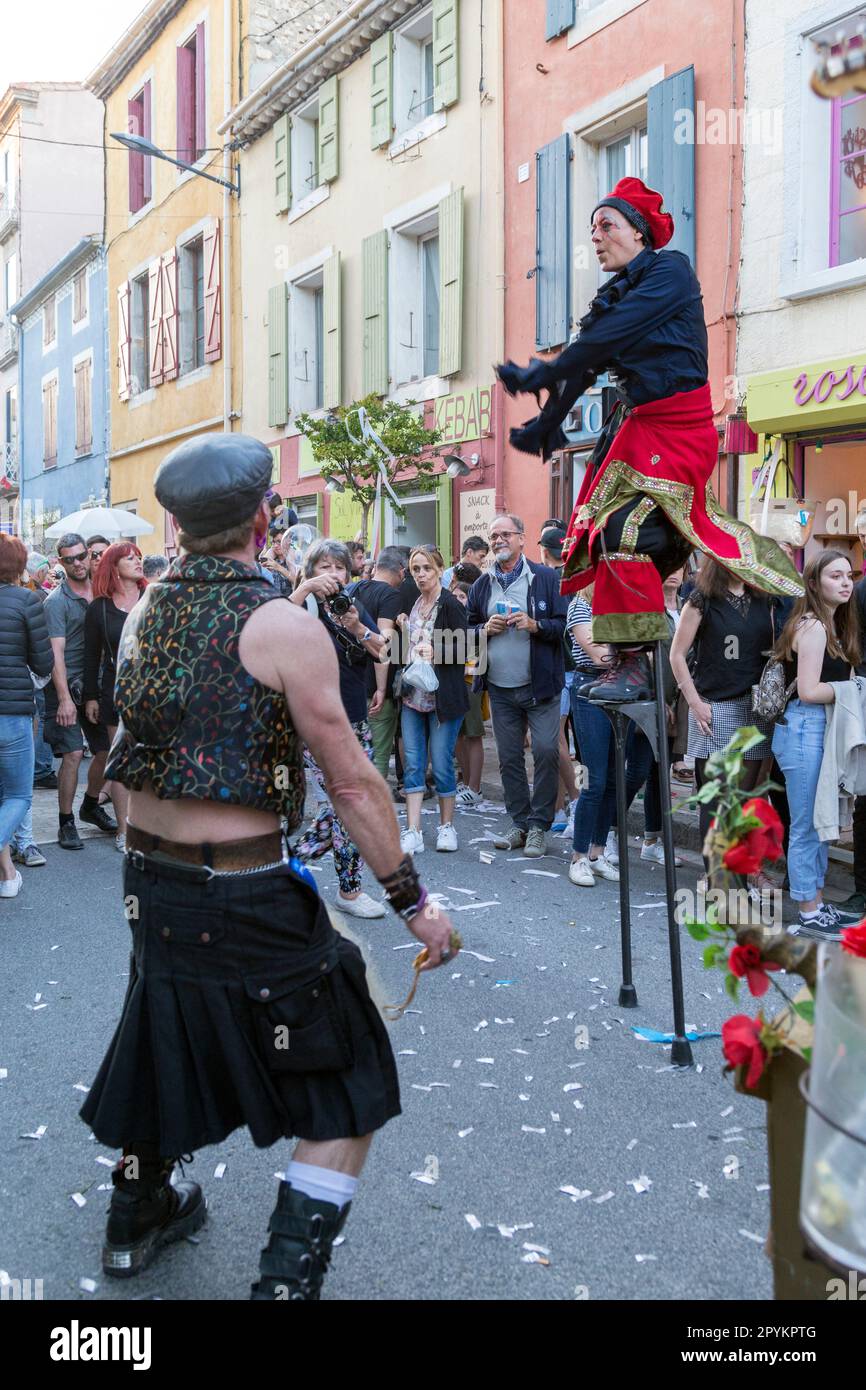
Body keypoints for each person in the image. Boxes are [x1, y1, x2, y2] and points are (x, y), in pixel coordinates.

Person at [79, 432, 455, 1299]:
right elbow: (355, 782)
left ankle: (137, 1214)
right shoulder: (283, 626)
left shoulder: (144, 613)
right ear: (263, 516)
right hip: (241, 889)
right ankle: (286, 1283)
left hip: (151, 879)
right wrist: (415, 904)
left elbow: (130, 756)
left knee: (164, 1029)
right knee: (348, 1077)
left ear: (175, 526)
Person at [496, 176, 802, 703]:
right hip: (640, 426)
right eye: (592, 228)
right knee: (600, 531)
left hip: (680, 428)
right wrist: (551, 420)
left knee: (625, 529)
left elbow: (607, 339)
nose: (595, 237)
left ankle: (640, 663)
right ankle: (627, 658)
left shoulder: (670, 271)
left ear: (638, 232)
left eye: (605, 225)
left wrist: (546, 375)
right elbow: (587, 359)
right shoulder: (611, 295)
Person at [291, 539, 389, 918]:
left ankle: (282, 865)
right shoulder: (302, 605)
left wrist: (356, 626)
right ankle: (349, 892)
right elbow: (272, 628)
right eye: (325, 567)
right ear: (311, 570)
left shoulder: (350, 604)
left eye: (340, 568)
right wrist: (304, 589)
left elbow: (385, 651)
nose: (333, 575)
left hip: (355, 718)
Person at [771, 550, 863, 941]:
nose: (845, 583)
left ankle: (817, 902)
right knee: (808, 823)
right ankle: (808, 909)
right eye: (835, 576)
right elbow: (808, 691)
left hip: (818, 730)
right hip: (804, 729)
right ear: (814, 583)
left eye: (848, 576)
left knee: (820, 821)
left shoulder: (833, 624)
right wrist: (856, 688)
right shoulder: (813, 627)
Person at [670, 558, 777, 888]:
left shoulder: (764, 599)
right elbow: (677, 654)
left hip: (755, 708)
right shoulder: (701, 598)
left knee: (743, 799)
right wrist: (694, 702)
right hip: (715, 707)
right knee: (717, 799)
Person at [467, 514, 568, 858]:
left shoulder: (544, 578)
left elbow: (564, 625)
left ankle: (540, 825)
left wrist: (535, 624)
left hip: (540, 686)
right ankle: (519, 824)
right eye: (493, 535)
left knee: (545, 751)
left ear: (522, 539)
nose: (498, 540)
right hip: (499, 687)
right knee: (509, 758)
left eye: (505, 534)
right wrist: (484, 630)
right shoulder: (482, 585)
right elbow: (467, 631)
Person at [43, 534, 116, 850]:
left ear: (89, 555)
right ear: (61, 562)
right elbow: (55, 654)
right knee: (73, 753)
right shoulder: (56, 602)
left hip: (96, 687)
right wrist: (62, 699)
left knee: (105, 751)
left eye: (81, 556)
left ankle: (90, 806)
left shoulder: (103, 594)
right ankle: (65, 821)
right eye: (69, 559)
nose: (77, 563)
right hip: (66, 687)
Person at [394, 545, 469, 855]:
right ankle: (412, 831)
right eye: (416, 569)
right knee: (412, 763)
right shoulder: (416, 604)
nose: (421, 574)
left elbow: (466, 649)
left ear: (439, 569)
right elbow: (409, 646)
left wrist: (438, 653)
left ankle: (446, 827)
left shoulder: (450, 604)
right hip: (413, 694)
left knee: (441, 765)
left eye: (426, 568)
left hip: (443, 698)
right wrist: (403, 629)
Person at [83, 542, 148, 852]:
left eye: (138, 557)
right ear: (114, 567)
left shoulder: (154, 598)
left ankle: (149, 825)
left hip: (152, 689)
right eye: (129, 558)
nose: (137, 561)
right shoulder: (99, 608)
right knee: (121, 760)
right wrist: (91, 697)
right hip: (115, 689)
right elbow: (90, 656)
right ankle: (124, 829)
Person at [0, 534, 54, 897]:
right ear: (20, 566)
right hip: (13, 712)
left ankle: (8, 876)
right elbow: (43, 661)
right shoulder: (27, 600)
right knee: (19, 794)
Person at [565, 586, 621, 887]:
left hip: (618, 689)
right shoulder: (579, 606)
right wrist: (626, 650)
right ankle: (578, 856)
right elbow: (600, 657)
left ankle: (598, 854)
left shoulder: (614, 602)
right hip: (589, 689)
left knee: (613, 778)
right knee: (593, 778)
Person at [351, 546, 405, 781]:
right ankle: (375, 812)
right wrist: (382, 689)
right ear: (401, 572)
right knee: (379, 755)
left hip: (351, 684)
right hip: (375, 689)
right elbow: (383, 642)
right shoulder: (391, 594)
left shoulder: (353, 588)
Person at [539, 524, 579, 834]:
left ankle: (577, 801)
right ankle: (559, 808)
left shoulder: (553, 579)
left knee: (556, 741)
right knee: (562, 741)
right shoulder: (576, 577)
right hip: (575, 667)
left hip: (562, 667)